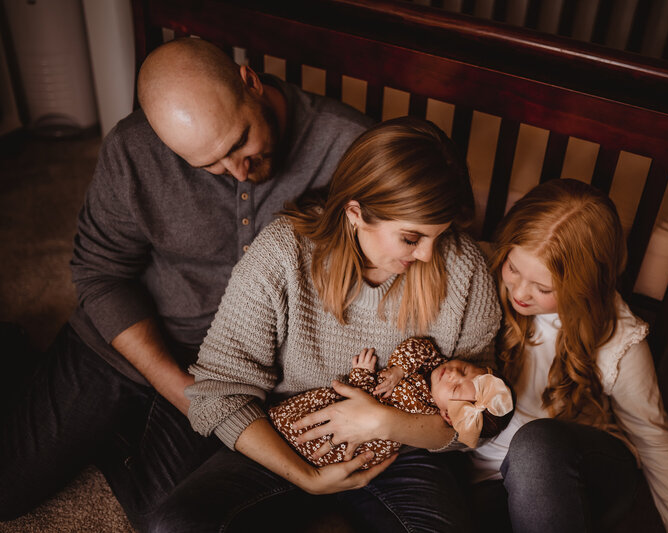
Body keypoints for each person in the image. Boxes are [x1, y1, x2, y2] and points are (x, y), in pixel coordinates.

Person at [0, 37, 372, 529]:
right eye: (210, 164)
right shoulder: (133, 149)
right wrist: (180, 390)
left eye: (240, 142)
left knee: (167, 519)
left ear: (251, 82)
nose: (238, 170)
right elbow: (99, 272)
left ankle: (116, 431)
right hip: (121, 342)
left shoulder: (350, 146)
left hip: (233, 371)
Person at [149, 116, 502, 532]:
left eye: (438, 236)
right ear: (356, 213)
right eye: (411, 238)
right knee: (175, 525)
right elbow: (219, 392)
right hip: (290, 432)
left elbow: (478, 419)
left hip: (402, 450)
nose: (427, 255)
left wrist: (384, 422)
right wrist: (306, 477)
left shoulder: (464, 269)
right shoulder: (282, 254)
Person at [469, 179, 668, 532]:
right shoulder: (480, 274)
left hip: (576, 469)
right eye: (513, 268)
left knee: (535, 443)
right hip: (489, 478)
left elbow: (657, 442)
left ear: (584, 285)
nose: (520, 291)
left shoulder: (618, 337)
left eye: (544, 288)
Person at [270, 337, 514, 468]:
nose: (452, 374)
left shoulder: (417, 407)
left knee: (303, 428)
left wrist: (362, 374)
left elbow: (366, 405)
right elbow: (419, 347)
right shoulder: (431, 367)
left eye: (457, 387)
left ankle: (281, 441)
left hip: (348, 438)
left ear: (448, 416)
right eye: (463, 368)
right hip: (345, 419)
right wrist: (399, 369)